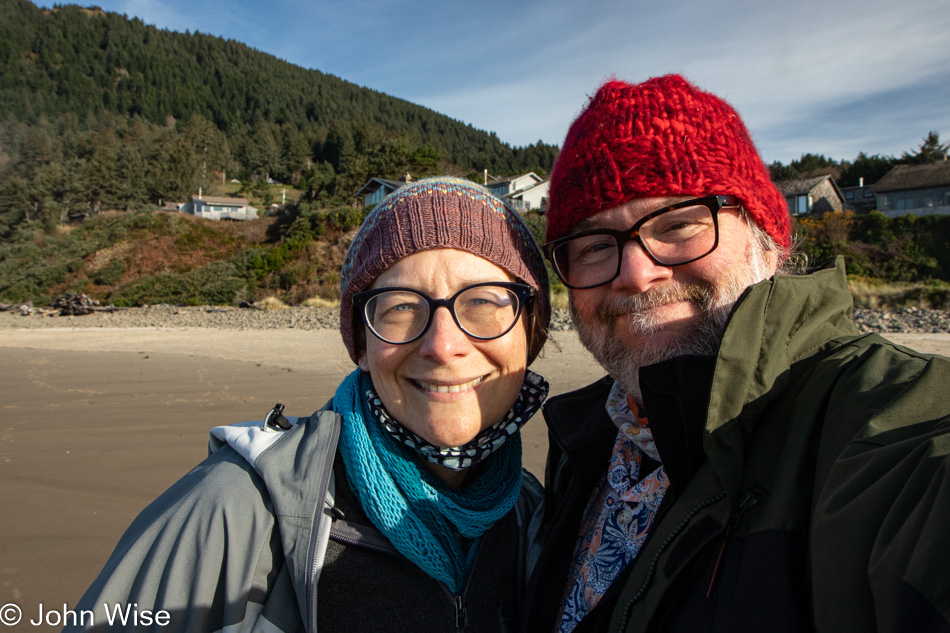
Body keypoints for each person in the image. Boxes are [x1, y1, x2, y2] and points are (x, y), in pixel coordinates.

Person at [521, 74, 950, 633]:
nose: (636, 273)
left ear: (766, 239)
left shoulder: (888, 430)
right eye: (596, 246)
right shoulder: (587, 440)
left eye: (677, 225)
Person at [65, 177, 551, 632]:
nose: (443, 346)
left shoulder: (534, 519)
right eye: (402, 306)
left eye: (485, 302)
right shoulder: (237, 508)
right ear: (361, 343)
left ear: (532, 331)